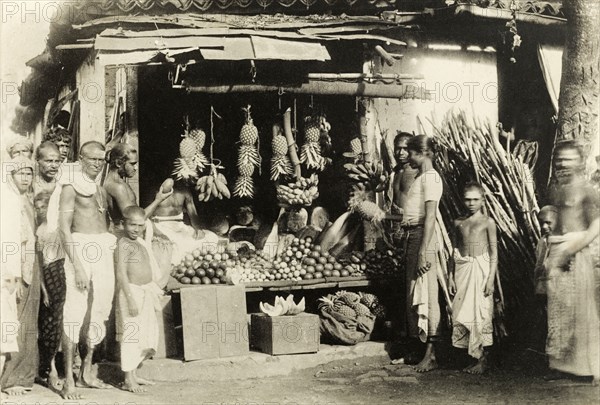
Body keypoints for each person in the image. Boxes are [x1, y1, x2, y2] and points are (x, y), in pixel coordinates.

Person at [49, 141, 115, 399]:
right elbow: (64, 228)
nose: (97, 164)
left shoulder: (99, 188)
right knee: (74, 311)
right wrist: (76, 266)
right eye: (93, 159)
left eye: (101, 159)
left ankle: (86, 371)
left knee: (100, 309)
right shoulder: (70, 187)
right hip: (80, 250)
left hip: (102, 250)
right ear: (80, 159)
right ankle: (68, 381)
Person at [544, 140, 600, 383]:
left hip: (577, 251)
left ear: (579, 161)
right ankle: (561, 366)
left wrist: (575, 246)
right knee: (559, 311)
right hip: (558, 250)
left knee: (580, 310)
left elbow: (597, 224)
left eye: (569, 159)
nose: (564, 164)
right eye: (560, 160)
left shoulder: (587, 189)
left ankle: (583, 369)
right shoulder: (556, 189)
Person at [398, 135, 443, 372]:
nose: (407, 157)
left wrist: (425, 251)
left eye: (411, 153)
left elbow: (431, 217)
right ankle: (419, 350)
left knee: (427, 293)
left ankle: (432, 354)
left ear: (422, 153)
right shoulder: (421, 178)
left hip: (422, 238)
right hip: (413, 236)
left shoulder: (432, 179)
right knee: (414, 293)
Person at [0, 156, 39, 396]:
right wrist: (11, 275)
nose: (25, 178)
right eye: (20, 174)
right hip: (8, 272)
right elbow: (8, 241)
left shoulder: (22, 198)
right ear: (11, 175)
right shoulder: (7, 200)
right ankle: (9, 378)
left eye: (28, 173)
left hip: (21, 268)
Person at [449, 182, 497, 374]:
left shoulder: (488, 222)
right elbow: (453, 250)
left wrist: (491, 278)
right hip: (463, 270)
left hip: (481, 270)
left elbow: (494, 252)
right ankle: (472, 357)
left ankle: (484, 358)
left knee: (481, 312)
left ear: (483, 200)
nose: (471, 203)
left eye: (475, 199)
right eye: (467, 199)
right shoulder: (458, 222)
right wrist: (450, 276)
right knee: (463, 312)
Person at [115, 206, 163, 392]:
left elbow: (145, 215)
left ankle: (134, 374)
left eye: (140, 225)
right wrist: (130, 299)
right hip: (132, 293)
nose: (136, 229)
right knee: (131, 335)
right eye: (132, 225)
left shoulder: (141, 242)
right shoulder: (124, 244)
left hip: (145, 292)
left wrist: (158, 199)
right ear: (123, 224)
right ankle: (128, 379)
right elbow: (121, 273)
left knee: (144, 335)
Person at [149, 178, 219, 288]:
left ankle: (199, 263)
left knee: (211, 237)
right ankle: (177, 268)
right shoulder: (156, 191)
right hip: (160, 225)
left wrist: (198, 229)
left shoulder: (185, 191)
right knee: (177, 243)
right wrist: (157, 232)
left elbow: (192, 213)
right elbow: (147, 216)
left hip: (180, 226)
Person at [34, 191, 66, 389]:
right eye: (37, 207)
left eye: (43, 206)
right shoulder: (39, 230)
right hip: (47, 276)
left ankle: (55, 367)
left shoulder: (60, 227)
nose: (40, 211)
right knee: (48, 324)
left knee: (60, 321)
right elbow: (39, 262)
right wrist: (44, 290)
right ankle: (50, 368)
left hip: (61, 273)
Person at [104, 143, 172, 233]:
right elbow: (136, 220)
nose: (135, 168)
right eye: (132, 164)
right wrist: (158, 200)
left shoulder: (117, 181)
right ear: (118, 163)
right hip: (125, 236)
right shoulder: (117, 187)